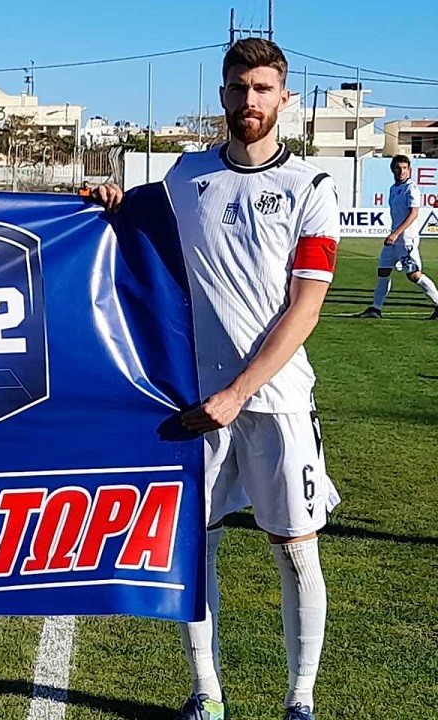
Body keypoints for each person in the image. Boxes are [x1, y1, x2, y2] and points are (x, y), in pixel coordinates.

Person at [92, 39, 338, 720]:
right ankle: (206, 693)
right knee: (194, 551)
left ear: (284, 98)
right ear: (222, 94)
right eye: (238, 88)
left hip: (278, 403)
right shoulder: (186, 175)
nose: (248, 101)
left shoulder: (312, 188)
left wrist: (240, 392)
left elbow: (305, 309)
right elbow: (133, 220)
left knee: (295, 554)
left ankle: (299, 700)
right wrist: (111, 199)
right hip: (196, 401)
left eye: (262, 89)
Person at [355, 155, 438, 319]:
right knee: (383, 271)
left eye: (405, 168)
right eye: (398, 168)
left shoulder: (411, 188)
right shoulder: (393, 188)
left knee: (414, 275)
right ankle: (376, 308)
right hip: (393, 240)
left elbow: (413, 214)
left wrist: (396, 233)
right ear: (392, 169)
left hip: (406, 240)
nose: (401, 171)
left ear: (409, 170)